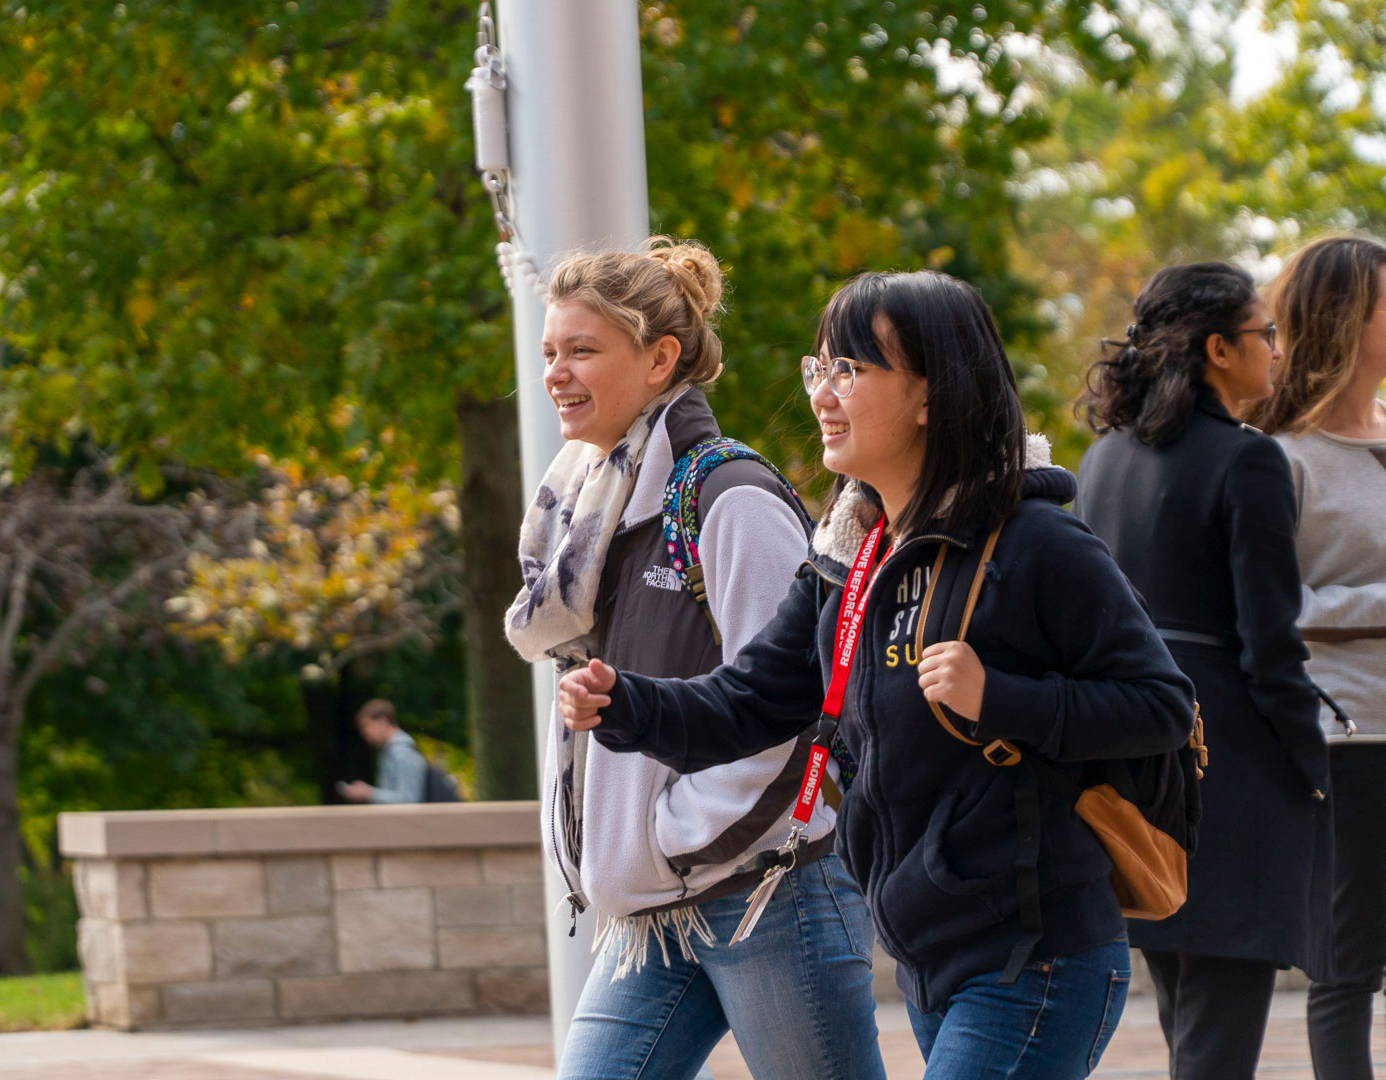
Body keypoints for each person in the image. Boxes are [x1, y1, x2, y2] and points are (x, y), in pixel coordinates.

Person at [558, 269, 1195, 1079]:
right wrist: (625, 703)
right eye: (817, 368)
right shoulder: (848, 559)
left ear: (934, 393)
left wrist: (1000, 699)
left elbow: (1160, 705)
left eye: (851, 371)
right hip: (930, 963)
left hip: (1038, 960)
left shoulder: (1037, 546)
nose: (824, 393)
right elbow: (748, 703)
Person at [505, 238, 885, 1080]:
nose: (556, 374)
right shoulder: (589, 514)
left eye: (582, 351)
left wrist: (666, 837)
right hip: (659, 906)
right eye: (549, 353)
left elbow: (793, 706)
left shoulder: (731, 496)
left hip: (767, 893)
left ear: (660, 359)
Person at [1074, 261, 1333, 1080]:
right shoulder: (1246, 461)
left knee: (1192, 1028)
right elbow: (1271, 643)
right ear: (1219, 349)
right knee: (1219, 1045)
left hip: (1136, 769)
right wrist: (1311, 760)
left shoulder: (1104, 459)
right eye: (1265, 335)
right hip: (1232, 773)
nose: (1277, 352)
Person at [1248, 234, 1386, 1080]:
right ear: (1344, 318)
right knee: (1348, 967)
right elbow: (1268, 612)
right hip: (1345, 737)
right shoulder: (1279, 457)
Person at [337, 699, 429, 804]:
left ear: (382, 720)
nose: (364, 733)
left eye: (367, 726)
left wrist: (368, 793)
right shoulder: (391, 751)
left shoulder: (402, 753)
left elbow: (409, 799)